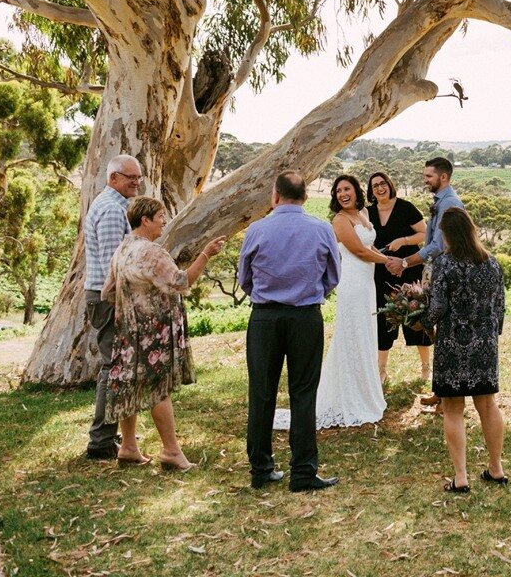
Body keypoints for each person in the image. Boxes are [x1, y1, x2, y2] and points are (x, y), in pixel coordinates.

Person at [101, 197, 226, 471]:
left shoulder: (122, 250)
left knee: (130, 384)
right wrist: (206, 254)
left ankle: (129, 447)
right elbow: (181, 281)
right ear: (145, 220)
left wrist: (131, 305)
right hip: (153, 331)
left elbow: (108, 291)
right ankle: (171, 452)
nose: (164, 222)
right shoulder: (151, 252)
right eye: (160, 217)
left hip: (128, 330)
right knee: (158, 388)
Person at [239, 170, 343, 492]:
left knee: (261, 393)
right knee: (303, 394)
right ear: (306, 197)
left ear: (275, 195)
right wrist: (311, 293)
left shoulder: (256, 229)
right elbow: (333, 276)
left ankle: (260, 469)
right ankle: (302, 472)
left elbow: (245, 277)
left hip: (264, 320)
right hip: (305, 319)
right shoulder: (321, 228)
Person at [274, 174, 395, 431]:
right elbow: (359, 251)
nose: (343, 194)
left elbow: (370, 247)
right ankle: (348, 397)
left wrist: (388, 259)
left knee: (365, 334)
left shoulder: (363, 213)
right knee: (352, 334)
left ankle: (366, 392)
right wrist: (391, 262)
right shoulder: (340, 220)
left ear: (356, 190)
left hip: (367, 283)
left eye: (347, 188)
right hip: (352, 283)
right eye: (338, 190)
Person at [429, 209, 507, 493]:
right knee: (488, 405)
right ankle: (496, 468)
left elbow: (437, 307)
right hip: (484, 344)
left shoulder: (444, 264)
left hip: (452, 343)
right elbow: (500, 307)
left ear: (447, 234)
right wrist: (490, 336)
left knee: (452, 408)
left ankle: (461, 477)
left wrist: (421, 322)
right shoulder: (492, 264)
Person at [83, 153, 144, 461]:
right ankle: (101, 442)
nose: (137, 182)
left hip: (111, 297)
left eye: (139, 177)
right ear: (114, 178)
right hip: (109, 298)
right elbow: (113, 266)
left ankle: (110, 436)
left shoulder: (120, 206)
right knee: (113, 367)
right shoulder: (110, 210)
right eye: (131, 177)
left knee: (117, 366)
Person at [406, 156, 464, 406]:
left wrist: (406, 262)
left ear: (444, 177)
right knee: (438, 333)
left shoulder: (449, 203)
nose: (425, 180)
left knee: (442, 332)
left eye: (429, 176)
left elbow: (438, 246)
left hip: (444, 272)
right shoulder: (440, 201)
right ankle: (441, 393)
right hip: (436, 272)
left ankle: (445, 395)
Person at [367, 171, 431, 386]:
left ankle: (425, 368)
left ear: (390, 185)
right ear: (371, 190)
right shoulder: (366, 213)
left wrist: (403, 241)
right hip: (380, 273)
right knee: (383, 321)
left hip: (409, 270)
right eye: (375, 186)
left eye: (383, 184)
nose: (380, 188)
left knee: (416, 318)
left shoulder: (405, 207)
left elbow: (425, 234)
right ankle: (382, 371)